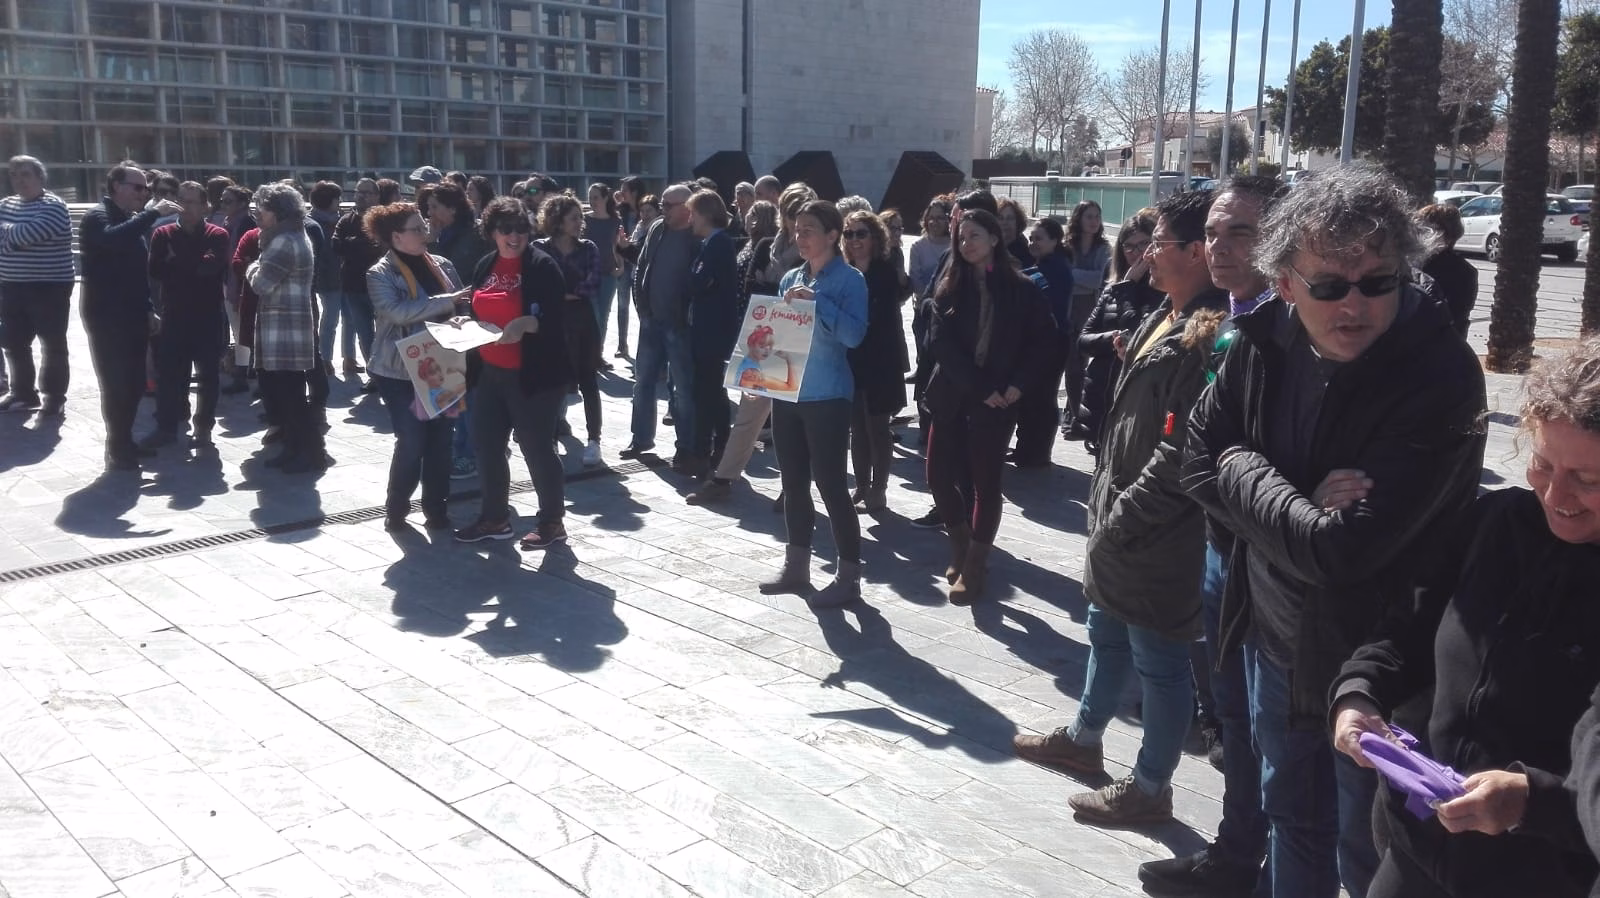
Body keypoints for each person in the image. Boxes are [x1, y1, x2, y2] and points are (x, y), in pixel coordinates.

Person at [1181, 164, 1488, 898]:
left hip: (1380, 672)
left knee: (1367, 853)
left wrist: (1242, 465)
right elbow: (1195, 461)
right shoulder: (1261, 339)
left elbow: (1339, 549)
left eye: (1377, 282)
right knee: (1291, 818)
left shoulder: (1439, 374)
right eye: (1329, 286)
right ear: (1285, 283)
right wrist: (1290, 489)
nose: (1355, 304)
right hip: (1274, 643)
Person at [1328, 338, 1600, 898]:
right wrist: (1359, 692)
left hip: (1541, 878)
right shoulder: (1492, 523)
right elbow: (1404, 629)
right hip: (1415, 847)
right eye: (1543, 464)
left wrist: (1531, 802)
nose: (1556, 494)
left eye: (1588, 479)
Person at [1015, 190, 1228, 829]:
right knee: (1104, 630)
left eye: (1158, 244)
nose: (1144, 254)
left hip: (1159, 528)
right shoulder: (1165, 311)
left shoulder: (1210, 334)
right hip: (1119, 509)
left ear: (1197, 252)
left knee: (1160, 661)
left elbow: (1183, 452)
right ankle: (1083, 739)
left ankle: (1152, 786)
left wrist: (1125, 515)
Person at [1138, 174, 1286, 898]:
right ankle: (1234, 854)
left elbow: (1240, 458)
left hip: (1272, 565)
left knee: (1275, 736)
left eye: (1241, 233)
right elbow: (1199, 457)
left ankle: (1274, 872)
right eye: (1213, 234)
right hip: (1221, 548)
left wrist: (1221, 470)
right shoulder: (1228, 321)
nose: (1220, 248)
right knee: (1232, 718)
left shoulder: (1294, 330)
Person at [923, 208, 1051, 601]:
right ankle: (960, 543)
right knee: (938, 477)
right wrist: (980, 386)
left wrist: (1018, 385)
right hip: (952, 393)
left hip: (997, 401)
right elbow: (940, 343)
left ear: (995, 238)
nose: (966, 244)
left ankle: (975, 565)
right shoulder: (949, 286)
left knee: (985, 482)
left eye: (974, 235)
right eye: (961, 237)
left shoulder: (1022, 288)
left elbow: (1043, 342)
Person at [758, 199, 869, 607]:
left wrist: (818, 303)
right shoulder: (791, 277)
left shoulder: (850, 280)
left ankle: (849, 576)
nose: (799, 236)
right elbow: (778, 336)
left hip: (828, 394)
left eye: (808, 230)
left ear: (832, 235)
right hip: (789, 393)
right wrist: (760, 376)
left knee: (832, 485)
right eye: (796, 229)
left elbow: (854, 336)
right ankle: (796, 566)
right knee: (792, 483)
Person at [453, 197, 573, 549]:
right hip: (490, 372)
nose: (514, 236)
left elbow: (558, 320)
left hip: (533, 375)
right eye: (506, 229)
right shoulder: (486, 264)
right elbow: (479, 308)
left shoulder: (542, 266)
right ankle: (495, 519)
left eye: (521, 228)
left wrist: (528, 323)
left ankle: (552, 522)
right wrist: (464, 321)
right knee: (487, 446)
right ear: (492, 232)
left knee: (537, 449)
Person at [364, 201, 466, 531]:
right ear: (396, 236)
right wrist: (446, 302)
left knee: (441, 440)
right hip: (398, 369)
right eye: (417, 229)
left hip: (442, 363)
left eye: (425, 226)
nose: (426, 232)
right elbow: (397, 312)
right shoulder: (380, 273)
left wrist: (462, 318)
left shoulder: (442, 265)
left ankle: (437, 509)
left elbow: (461, 304)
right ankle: (397, 508)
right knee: (411, 440)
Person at [80, 163, 180, 471]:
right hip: (107, 316)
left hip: (133, 313)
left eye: (146, 188)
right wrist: (151, 214)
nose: (144, 193)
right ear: (115, 187)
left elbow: (138, 272)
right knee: (117, 384)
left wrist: (148, 307)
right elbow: (112, 240)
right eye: (137, 187)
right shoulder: (98, 216)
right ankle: (118, 446)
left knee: (135, 383)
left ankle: (124, 441)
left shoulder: (129, 219)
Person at [685, 198, 783, 505]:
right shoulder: (765, 246)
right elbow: (751, 285)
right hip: (756, 332)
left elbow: (701, 281)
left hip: (767, 335)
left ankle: (792, 487)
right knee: (744, 412)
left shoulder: (722, 244)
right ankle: (723, 474)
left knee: (785, 419)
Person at [142, 181, 229, 450]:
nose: (185, 207)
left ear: (205, 206)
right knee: (169, 374)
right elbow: (155, 270)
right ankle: (167, 426)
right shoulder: (163, 233)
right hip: (174, 314)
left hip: (207, 316)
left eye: (192, 202)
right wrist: (193, 261)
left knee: (208, 376)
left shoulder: (217, 234)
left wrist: (176, 261)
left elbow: (210, 269)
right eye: (181, 200)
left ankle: (203, 427)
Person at [246, 182, 324, 474]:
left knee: (292, 396)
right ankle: (294, 448)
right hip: (288, 326)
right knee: (288, 393)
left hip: (285, 329)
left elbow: (260, 283)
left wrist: (251, 266)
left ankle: (310, 453)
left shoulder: (283, 241)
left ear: (278, 211)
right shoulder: (292, 235)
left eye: (262, 209)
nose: (257, 214)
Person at [619, 184, 697, 465]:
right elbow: (642, 265)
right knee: (643, 382)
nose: (662, 210)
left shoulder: (696, 235)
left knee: (683, 389)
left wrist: (685, 315)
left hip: (679, 325)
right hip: (651, 320)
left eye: (668, 205)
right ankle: (640, 438)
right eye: (662, 204)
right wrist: (642, 307)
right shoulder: (657, 228)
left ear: (687, 208)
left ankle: (686, 445)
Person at [1076, 214, 1160, 458]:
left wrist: (1129, 289)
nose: (1136, 253)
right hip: (1103, 394)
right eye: (1129, 246)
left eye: (1143, 244)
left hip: (1137, 399)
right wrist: (1113, 338)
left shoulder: (1162, 291)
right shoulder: (1114, 288)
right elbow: (1084, 340)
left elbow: (1139, 336)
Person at [842, 209, 909, 512]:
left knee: (877, 427)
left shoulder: (884, 272)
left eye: (861, 233)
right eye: (849, 234)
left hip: (881, 359)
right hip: (852, 358)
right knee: (857, 427)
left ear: (875, 237)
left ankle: (878, 488)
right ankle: (861, 486)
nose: (854, 240)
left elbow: (878, 315)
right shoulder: (843, 271)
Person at [0, 155, 75, 419]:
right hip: (11, 285)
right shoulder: (5, 204)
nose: (19, 180)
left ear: (40, 177)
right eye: (14, 175)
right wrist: (15, 236)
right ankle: (22, 393)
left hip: (49, 286)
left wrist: (7, 234)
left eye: (25, 174)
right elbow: (22, 236)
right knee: (14, 342)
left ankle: (54, 397)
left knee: (52, 344)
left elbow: (29, 235)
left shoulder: (54, 206)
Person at [534, 193, 603, 468]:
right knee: (552, 382)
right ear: (558, 220)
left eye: (580, 217)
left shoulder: (588, 248)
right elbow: (537, 284)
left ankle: (594, 440)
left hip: (582, 320)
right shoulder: (540, 248)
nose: (579, 222)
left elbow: (592, 284)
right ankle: (549, 439)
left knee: (589, 380)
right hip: (552, 322)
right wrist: (562, 294)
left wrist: (561, 293)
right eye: (574, 218)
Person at [684, 190, 741, 477]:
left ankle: (702, 451)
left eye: (693, 214)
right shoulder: (709, 244)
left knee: (705, 393)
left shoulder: (718, 244)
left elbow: (699, 281)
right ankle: (721, 445)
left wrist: (692, 277)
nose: (690, 220)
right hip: (707, 330)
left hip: (713, 331)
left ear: (706, 215)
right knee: (713, 391)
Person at [1009, 217, 1074, 467]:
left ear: (1055, 241)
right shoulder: (1044, 264)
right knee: (1035, 399)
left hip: (1052, 341)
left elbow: (1035, 286)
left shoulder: (1056, 267)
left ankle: (1036, 453)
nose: (1033, 243)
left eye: (1039, 239)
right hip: (1045, 340)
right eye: (1032, 238)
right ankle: (1028, 449)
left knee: (1041, 399)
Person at [1062, 200, 1113, 440]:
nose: (1094, 221)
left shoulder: (1104, 248)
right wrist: (1079, 278)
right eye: (1089, 216)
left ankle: (1078, 416)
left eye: (1097, 216)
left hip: (1090, 309)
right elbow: (1064, 277)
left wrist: (1073, 276)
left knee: (1082, 366)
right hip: (1068, 310)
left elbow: (1099, 279)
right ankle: (1074, 415)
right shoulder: (1067, 246)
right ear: (1078, 219)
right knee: (1072, 367)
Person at [332, 178, 382, 384]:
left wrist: (353, 244)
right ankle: (375, 377)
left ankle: (388, 373)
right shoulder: (346, 220)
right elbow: (336, 245)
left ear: (376, 196)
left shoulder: (382, 219)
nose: (361, 196)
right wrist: (363, 244)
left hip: (380, 285)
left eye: (367, 193)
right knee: (364, 333)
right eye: (358, 192)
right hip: (353, 285)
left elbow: (381, 247)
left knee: (385, 333)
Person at [1417, 203, 1478, 340]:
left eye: (1425, 229)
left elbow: (1454, 317)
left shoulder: (1462, 272)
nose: (1419, 234)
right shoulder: (1410, 263)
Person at [584, 182, 623, 370]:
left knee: (604, 315)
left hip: (608, 273)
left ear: (606, 198)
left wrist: (620, 266)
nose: (592, 201)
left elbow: (617, 246)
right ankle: (589, 355)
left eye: (596, 197)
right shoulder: (584, 220)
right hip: (588, 274)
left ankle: (597, 356)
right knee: (592, 315)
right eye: (590, 198)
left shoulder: (615, 221)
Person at [994, 196, 1033, 269]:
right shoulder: (990, 247)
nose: (1005, 222)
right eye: (1000, 218)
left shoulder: (1024, 252)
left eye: (1010, 218)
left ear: (1018, 222)